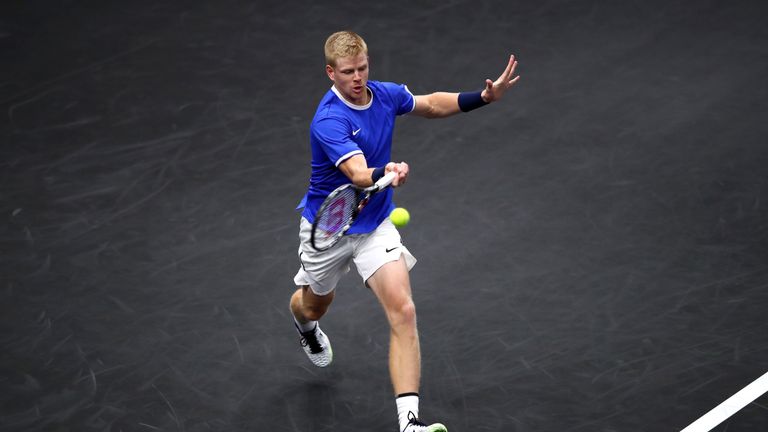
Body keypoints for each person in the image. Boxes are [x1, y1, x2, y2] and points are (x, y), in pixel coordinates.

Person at [290, 30, 520, 432]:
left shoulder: (385, 94)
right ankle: (305, 326)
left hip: (375, 223)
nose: (357, 78)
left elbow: (430, 104)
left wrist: (482, 97)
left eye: (362, 68)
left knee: (404, 310)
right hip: (330, 228)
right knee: (313, 306)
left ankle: (409, 423)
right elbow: (358, 173)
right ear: (331, 73)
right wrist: (386, 170)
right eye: (348, 72)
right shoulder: (329, 120)